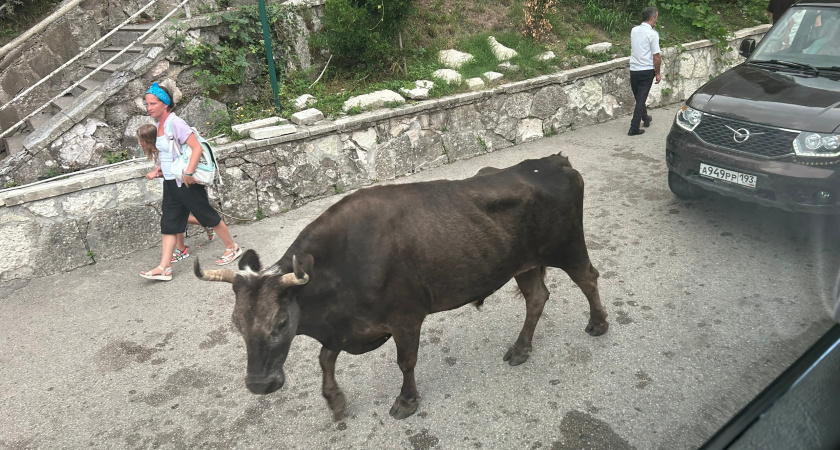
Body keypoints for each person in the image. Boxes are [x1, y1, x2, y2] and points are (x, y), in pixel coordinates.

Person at [140, 83, 243, 281]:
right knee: (169, 223)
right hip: (171, 182)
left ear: (165, 103)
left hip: (185, 181)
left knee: (206, 215)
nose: (149, 107)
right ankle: (164, 268)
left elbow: (195, 148)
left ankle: (232, 247)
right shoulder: (160, 125)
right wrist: (161, 169)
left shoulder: (175, 123)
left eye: (153, 103)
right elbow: (170, 153)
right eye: (147, 104)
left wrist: (188, 173)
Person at [137, 124, 215, 265]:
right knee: (177, 218)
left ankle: (182, 249)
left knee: (175, 218)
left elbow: (173, 170)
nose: (139, 143)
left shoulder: (164, 151)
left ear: (148, 140)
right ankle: (207, 224)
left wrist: (155, 174)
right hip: (170, 187)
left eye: (141, 140)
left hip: (178, 185)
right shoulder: (158, 152)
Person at [628, 6, 661, 136]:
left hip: (634, 69)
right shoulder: (653, 34)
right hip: (647, 70)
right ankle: (633, 128)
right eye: (656, 19)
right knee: (641, 99)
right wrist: (657, 73)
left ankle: (646, 118)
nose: (656, 22)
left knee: (639, 98)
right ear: (652, 18)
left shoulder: (634, 30)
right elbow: (656, 56)